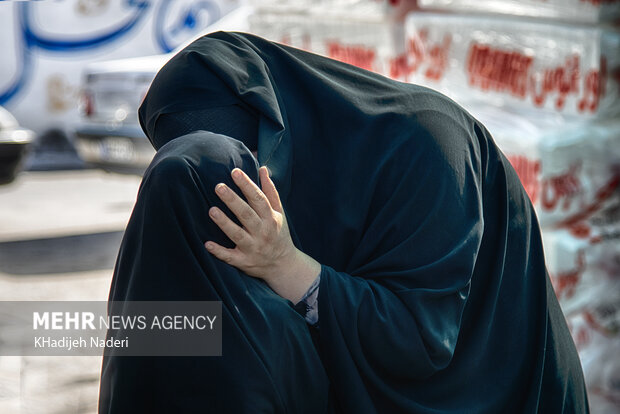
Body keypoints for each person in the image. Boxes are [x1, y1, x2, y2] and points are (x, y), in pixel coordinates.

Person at [99, 31, 589, 413]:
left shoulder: (424, 143)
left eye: (241, 159)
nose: (243, 183)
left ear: (272, 116)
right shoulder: (262, 207)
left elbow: (422, 339)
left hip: (493, 389)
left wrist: (287, 265)